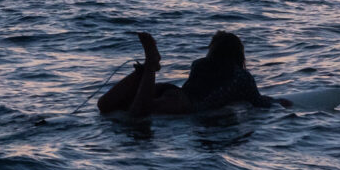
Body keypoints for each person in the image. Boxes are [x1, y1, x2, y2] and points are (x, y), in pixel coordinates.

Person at [97, 30, 274, 117]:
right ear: (238, 55)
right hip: (185, 105)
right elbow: (259, 102)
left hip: (172, 91)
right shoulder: (242, 77)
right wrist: (280, 103)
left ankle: (143, 71)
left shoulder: (199, 64)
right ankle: (150, 64)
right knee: (137, 114)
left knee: (104, 105)